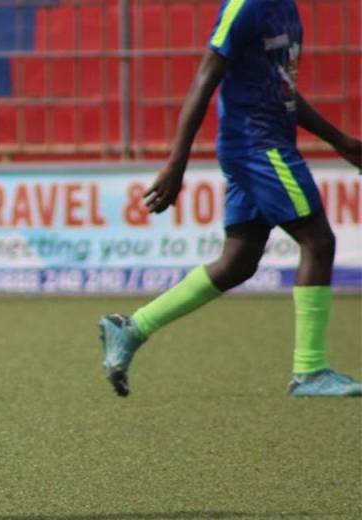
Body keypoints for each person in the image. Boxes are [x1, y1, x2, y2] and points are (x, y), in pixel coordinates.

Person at [99, 0, 362, 398]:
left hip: (264, 144)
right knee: (319, 241)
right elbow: (205, 78)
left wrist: (340, 141)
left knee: (237, 262)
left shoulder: (287, 9)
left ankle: (131, 329)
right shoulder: (245, 7)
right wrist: (177, 163)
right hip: (258, 148)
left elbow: (282, 91)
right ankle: (309, 371)